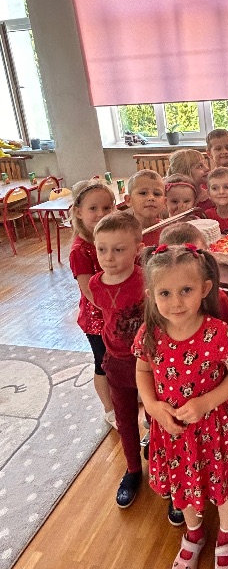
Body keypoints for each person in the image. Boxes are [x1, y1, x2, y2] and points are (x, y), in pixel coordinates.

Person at [133, 244, 228, 569]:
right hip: (171, 432)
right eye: (165, 293)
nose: (176, 302)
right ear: (151, 295)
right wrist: (152, 406)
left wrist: (206, 402)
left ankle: (227, 536)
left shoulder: (217, 333)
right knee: (181, 486)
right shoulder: (151, 333)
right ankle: (194, 533)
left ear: (205, 288)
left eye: (186, 290)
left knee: (223, 485)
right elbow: (142, 370)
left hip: (213, 429)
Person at [88, 212, 150, 511]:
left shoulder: (145, 279)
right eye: (102, 249)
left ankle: (164, 465)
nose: (109, 257)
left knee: (156, 416)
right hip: (116, 362)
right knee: (125, 419)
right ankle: (133, 469)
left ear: (137, 249)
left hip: (148, 363)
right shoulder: (96, 284)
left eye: (118, 249)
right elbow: (106, 319)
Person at [69, 178, 116, 427]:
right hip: (97, 319)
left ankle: (125, 394)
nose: (100, 214)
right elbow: (89, 291)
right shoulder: (80, 249)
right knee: (103, 364)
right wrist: (115, 308)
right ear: (79, 212)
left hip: (118, 313)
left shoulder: (110, 238)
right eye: (93, 208)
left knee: (120, 359)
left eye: (106, 208)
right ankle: (109, 409)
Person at [159, 222, 228, 322]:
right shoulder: (159, 304)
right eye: (165, 293)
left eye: (194, 257)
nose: (176, 303)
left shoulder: (220, 300)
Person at [124, 169, 167, 246]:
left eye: (157, 194)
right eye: (143, 193)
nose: (151, 198)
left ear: (164, 202)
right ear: (129, 200)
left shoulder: (168, 231)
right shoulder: (121, 232)